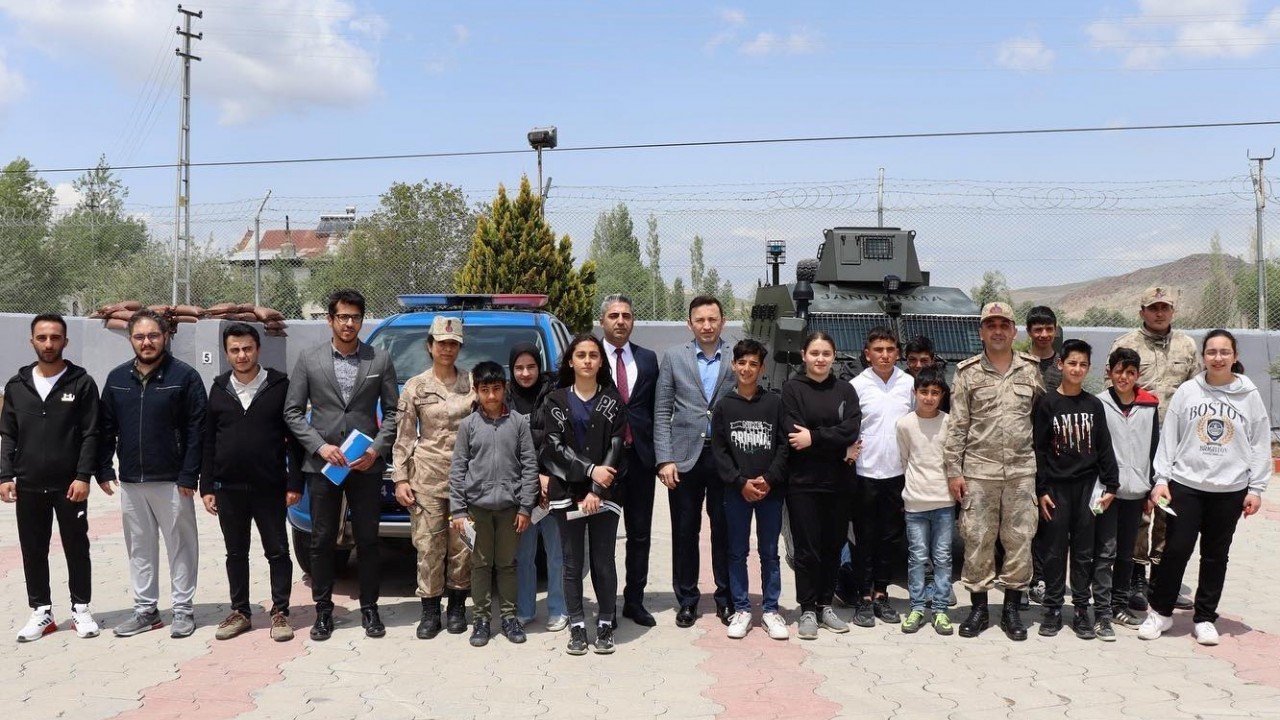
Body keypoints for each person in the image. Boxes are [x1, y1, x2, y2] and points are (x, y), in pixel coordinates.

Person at [1139, 330, 1270, 646]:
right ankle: (1160, 612)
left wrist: (1256, 488)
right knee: (1176, 549)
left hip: (1230, 489)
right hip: (1187, 485)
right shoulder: (1188, 392)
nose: (1218, 357)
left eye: (1225, 352)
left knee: (1216, 555)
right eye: (1212, 352)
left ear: (1235, 356)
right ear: (1203, 356)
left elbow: (1259, 442)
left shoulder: (1249, 395)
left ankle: (1205, 618)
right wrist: (1161, 480)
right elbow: (1170, 437)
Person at [284, 289, 399, 641]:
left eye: (355, 317)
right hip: (324, 467)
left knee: (367, 539)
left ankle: (370, 609)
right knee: (320, 541)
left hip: (364, 466)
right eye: (343, 317)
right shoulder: (309, 359)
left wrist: (377, 450)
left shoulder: (378, 360)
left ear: (362, 320)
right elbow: (292, 412)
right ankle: (323, 611)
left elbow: (394, 412)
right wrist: (320, 448)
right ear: (330, 320)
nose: (349, 323)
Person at [98, 308, 206, 638]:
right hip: (131, 480)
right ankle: (146, 610)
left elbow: (197, 429)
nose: (147, 342)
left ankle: (184, 609)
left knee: (181, 545)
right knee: (140, 548)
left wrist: (190, 475)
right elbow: (105, 427)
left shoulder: (184, 377)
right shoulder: (117, 379)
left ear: (166, 337)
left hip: (173, 480)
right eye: (140, 337)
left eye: (153, 336)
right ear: (131, 339)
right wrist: (103, 467)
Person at [944, 301, 1044, 641]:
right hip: (978, 473)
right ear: (982, 332)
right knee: (977, 540)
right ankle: (979, 608)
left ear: (1014, 331)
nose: (998, 331)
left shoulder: (1031, 369)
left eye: (1004, 325)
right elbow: (957, 426)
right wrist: (953, 472)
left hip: (1020, 472)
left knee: (1019, 541)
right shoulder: (967, 372)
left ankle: (1012, 609)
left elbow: (1039, 422)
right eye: (991, 325)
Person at [0, 313, 101, 642]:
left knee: (76, 546)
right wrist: (5, 475)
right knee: (33, 548)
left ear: (65, 342)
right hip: (28, 483)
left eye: (55, 338)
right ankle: (41, 611)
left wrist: (83, 475)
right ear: (32, 341)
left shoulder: (81, 383)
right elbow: (8, 435)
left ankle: (81, 609)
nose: (48, 344)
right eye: (42, 338)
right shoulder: (17, 387)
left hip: (69, 484)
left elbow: (91, 433)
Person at [200, 323, 302, 642]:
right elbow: (208, 442)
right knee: (235, 553)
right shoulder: (218, 388)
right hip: (228, 488)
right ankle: (241, 611)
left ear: (257, 349)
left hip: (270, 486)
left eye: (247, 348)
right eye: (235, 350)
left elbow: (295, 439)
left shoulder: (279, 385)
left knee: (277, 550)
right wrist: (206, 486)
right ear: (227, 353)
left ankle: (281, 611)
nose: (241, 355)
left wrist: (294, 482)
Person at [1110, 286, 1200, 612]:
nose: (1159, 313)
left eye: (1165, 307)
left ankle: (1162, 580)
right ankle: (1135, 578)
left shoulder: (1187, 345)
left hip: (1177, 442)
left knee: (1168, 511)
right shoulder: (1126, 344)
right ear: (1142, 311)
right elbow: (1116, 389)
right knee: (1137, 512)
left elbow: (1196, 391)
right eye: (1153, 307)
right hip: (1136, 440)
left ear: (1173, 311)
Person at [539, 333, 628, 655]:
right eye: (581, 355)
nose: (588, 360)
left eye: (593, 355)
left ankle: (605, 623)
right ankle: (577, 625)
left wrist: (597, 489)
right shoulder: (556, 400)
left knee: (603, 561)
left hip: (605, 493)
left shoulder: (613, 400)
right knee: (571, 563)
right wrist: (590, 474)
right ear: (570, 361)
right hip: (568, 492)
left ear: (600, 361)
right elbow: (554, 448)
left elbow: (617, 446)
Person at [654, 296, 736, 628]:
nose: (706, 325)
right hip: (684, 458)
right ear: (689, 324)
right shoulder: (674, 357)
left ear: (722, 321)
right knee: (685, 532)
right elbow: (662, 410)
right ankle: (687, 599)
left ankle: (726, 597)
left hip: (724, 457)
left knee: (725, 531)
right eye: (699, 320)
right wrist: (664, 459)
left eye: (712, 319)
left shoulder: (736, 356)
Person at [391, 315, 474, 640]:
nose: (447, 348)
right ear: (430, 345)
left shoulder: (471, 382)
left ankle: (456, 607)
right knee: (428, 547)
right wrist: (400, 479)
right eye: (442, 343)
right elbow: (404, 436)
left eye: (453, 343)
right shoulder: (416, 386)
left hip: (466, 481)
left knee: (464, 545)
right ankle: (429, 612)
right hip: (426, 479)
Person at [1033, 339, 1119, 641]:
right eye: (1072, 363)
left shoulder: (1093, 405)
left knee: (1084, 552)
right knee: (1054, 551)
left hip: (1087, 488)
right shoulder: (1047, 404)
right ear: (1060, 364)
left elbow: (1104, 447)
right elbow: (1040, 450)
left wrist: (1112, 485)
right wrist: (1041, 489)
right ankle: (1053, 608)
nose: (1077, 369)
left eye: (1083, 364)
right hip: (1056, 489)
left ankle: (1082, 610)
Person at [448, 361, 539, 647]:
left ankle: (510, 618)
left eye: (496, 389)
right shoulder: (468, 426)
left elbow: (529, 466)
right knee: (481, 564)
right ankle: (482, 619)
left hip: (511, 509)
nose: (490, 396)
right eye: (484, 390)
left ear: (505, 389)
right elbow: (458, 468)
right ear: (475, 392)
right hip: (477, 510)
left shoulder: (518, 424)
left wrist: (525, 508)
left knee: (508, 564)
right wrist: (459, 511)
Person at [782, 331, 862, 640]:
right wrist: (838, 448)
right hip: (803, 483)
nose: (820, 358)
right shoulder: (792, 390)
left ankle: (826, 604)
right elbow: (792, 436)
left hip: (839, 483)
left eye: (826, 353)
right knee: (807, 550)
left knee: (832, 546)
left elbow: (850, 430)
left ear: (834, 355)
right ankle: (807, 610)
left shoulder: (845, 390)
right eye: (814, 352)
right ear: (804, 355)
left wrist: (814, 438)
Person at [711, 339, 789, 640]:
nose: (746, 368)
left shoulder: (774, 403)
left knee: (769, 552)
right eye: (741, 363)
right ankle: (742, 608)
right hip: (737, 491)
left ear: (762, 368)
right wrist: (740, 482)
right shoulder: (724, 407)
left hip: (770, 490)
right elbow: (719, 451)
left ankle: (770, 610)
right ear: (734, 365)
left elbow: (784, 445)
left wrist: (769, 479)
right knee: (737, 551)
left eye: (753, 364)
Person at [599, 294, 661, 627]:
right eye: (613, 315)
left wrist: (661, 458)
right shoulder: (589, 357)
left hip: (640, 460)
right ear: (602, 321)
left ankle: (634, 601)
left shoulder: (649, 359)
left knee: (639, 534)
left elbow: (658, 410)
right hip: (603, 462)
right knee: (602, 536)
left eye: (626, 315)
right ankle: (605, 603)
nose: (620, 321)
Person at [847, 327, 913, 627]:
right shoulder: (856, 386)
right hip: (864, 473)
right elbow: (848, 427)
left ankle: (881, 594)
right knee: (865, 538)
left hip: (897, 473)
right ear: (867, 354)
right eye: (878, 350)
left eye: (890, 349)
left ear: (897, 352)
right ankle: (862, 597)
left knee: (889, 538)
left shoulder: (908, 384)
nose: (884, 355)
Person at [1096, 347, 1159, 629]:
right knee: (1104, 551)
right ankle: (1100, 606)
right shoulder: (1098, 404)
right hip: (1107, 492)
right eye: (1119, 371)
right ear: (1109, 372)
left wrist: (1151, 489)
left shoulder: (1149, 405)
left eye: (1130, 372)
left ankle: (1119, 604)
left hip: (1136, 492)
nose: (1124, 377)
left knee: (1126, 552)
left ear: (1138, 375)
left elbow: (1154, 448)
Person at [509, 342, 568, 632]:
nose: (525, 373)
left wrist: (546, 475)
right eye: (519, 367)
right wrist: (531, 478)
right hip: (520, 490)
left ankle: (559, 609)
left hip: (553, 486)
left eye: (531, 366)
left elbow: (559, 439)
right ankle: (525, 609)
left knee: (557, 553)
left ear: (539, 366)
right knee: (524, 555)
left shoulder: (554, 395)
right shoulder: (504, 397)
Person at [895, 366, 954, 635]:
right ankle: (917, 607)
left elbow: (953, 461)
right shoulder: (905, 424)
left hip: (944, 502)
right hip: (915, 503)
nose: (929, 397)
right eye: (924, 392)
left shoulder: (949, 423)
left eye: (935, 393)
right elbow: (905, 459)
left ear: (942, 395)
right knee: (917, 557)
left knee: (942, 558)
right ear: (914, 392)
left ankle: (940, 610)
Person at [1024, 306, 1061, 606]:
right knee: (1026, 519)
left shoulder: (1064, 364)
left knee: (1050, 518)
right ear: (1029, 332)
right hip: (1025, 448)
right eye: (1038, 329)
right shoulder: (1022, 363)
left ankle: (1047, 575)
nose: (1044, 334)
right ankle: (1031, 577)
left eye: (1048, 328)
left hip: (1057, 451)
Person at [903, 335, 949, 413]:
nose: (918, 365)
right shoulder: (898, 383)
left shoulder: (940, 385)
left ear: (932, 360)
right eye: (912, 360)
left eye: (924, 360)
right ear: (906, 361)